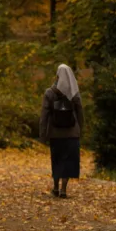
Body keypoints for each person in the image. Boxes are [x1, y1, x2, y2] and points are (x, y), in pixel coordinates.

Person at [39, 63, 84, 198]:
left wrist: (43, 135)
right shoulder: (74, 93)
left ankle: (55, 187)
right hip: (72, 133)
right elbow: (80, 112)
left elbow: (44, 115)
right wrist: (80, 129)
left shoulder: (49, 93)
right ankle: (64, 189)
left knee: (57, 160)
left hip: (55, 134)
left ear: (57, 76)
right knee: (69, 162)